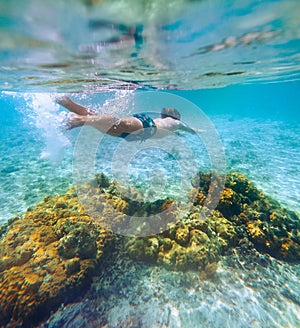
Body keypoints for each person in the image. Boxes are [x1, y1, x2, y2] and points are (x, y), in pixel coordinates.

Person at [56, 96, 204, 142]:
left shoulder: (169, 125)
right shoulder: (176, 123)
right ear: (176, 117)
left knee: (102, 121)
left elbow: (176, 132)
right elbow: (189, 129)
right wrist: (199, 131)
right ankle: (78, 121)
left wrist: (180, 134)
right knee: (117, 122)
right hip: (147, 127)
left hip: (140, 131)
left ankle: (66, 103)